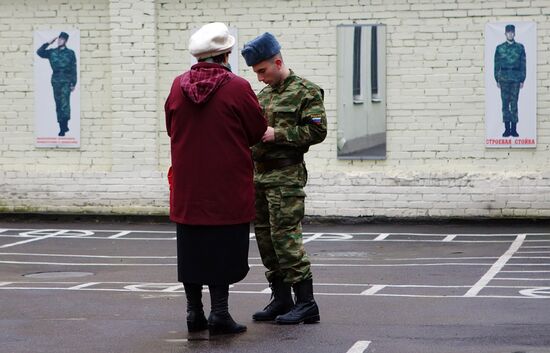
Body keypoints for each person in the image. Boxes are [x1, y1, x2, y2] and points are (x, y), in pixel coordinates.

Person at [165, 22, 267, 335]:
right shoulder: (237, 87)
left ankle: (193, 312)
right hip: (226, 186)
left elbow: (171, 127)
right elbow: (257, 130)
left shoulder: (176, 85)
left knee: (192, 249)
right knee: (223, 248)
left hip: (189, 186)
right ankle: (220, 313)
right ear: (225, 55)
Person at [241, 33, 327, 325]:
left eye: (263, 71)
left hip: (286, 176)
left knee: (286, 238)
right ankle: (281, 299)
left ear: (278, 62)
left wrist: (278, 133)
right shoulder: (261, 97)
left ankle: (306, 303)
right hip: (260, 176)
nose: (260, 78)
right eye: (256, 73)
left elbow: (317, 132)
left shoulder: (307, 92)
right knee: (265, 239)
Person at [36, 32, 77, 137]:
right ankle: (62, 126)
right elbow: (39, 52)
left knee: (65, 104)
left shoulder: (70, 53)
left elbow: (74, 68)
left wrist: (73, 83)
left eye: (62, 39)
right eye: (59, 39)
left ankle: (64, 127)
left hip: (66, 81)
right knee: (58, 104)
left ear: (66, 41)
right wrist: (49, 42)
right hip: (55, 80)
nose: (59, 41)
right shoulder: (52, 52)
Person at [494, 24, 526, 138]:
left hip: (516, 78)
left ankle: (514, 129)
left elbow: (523, 64)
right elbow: (496, 64)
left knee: (514, 104)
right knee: (504, 104)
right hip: (503, 78)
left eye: (512, 32)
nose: (510, 34)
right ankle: (507, 129)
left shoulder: (520, 47)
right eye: (508, 32)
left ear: (514, 33)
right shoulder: (500, 48)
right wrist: (496, 78)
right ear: (505, 34)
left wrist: (522, 79)